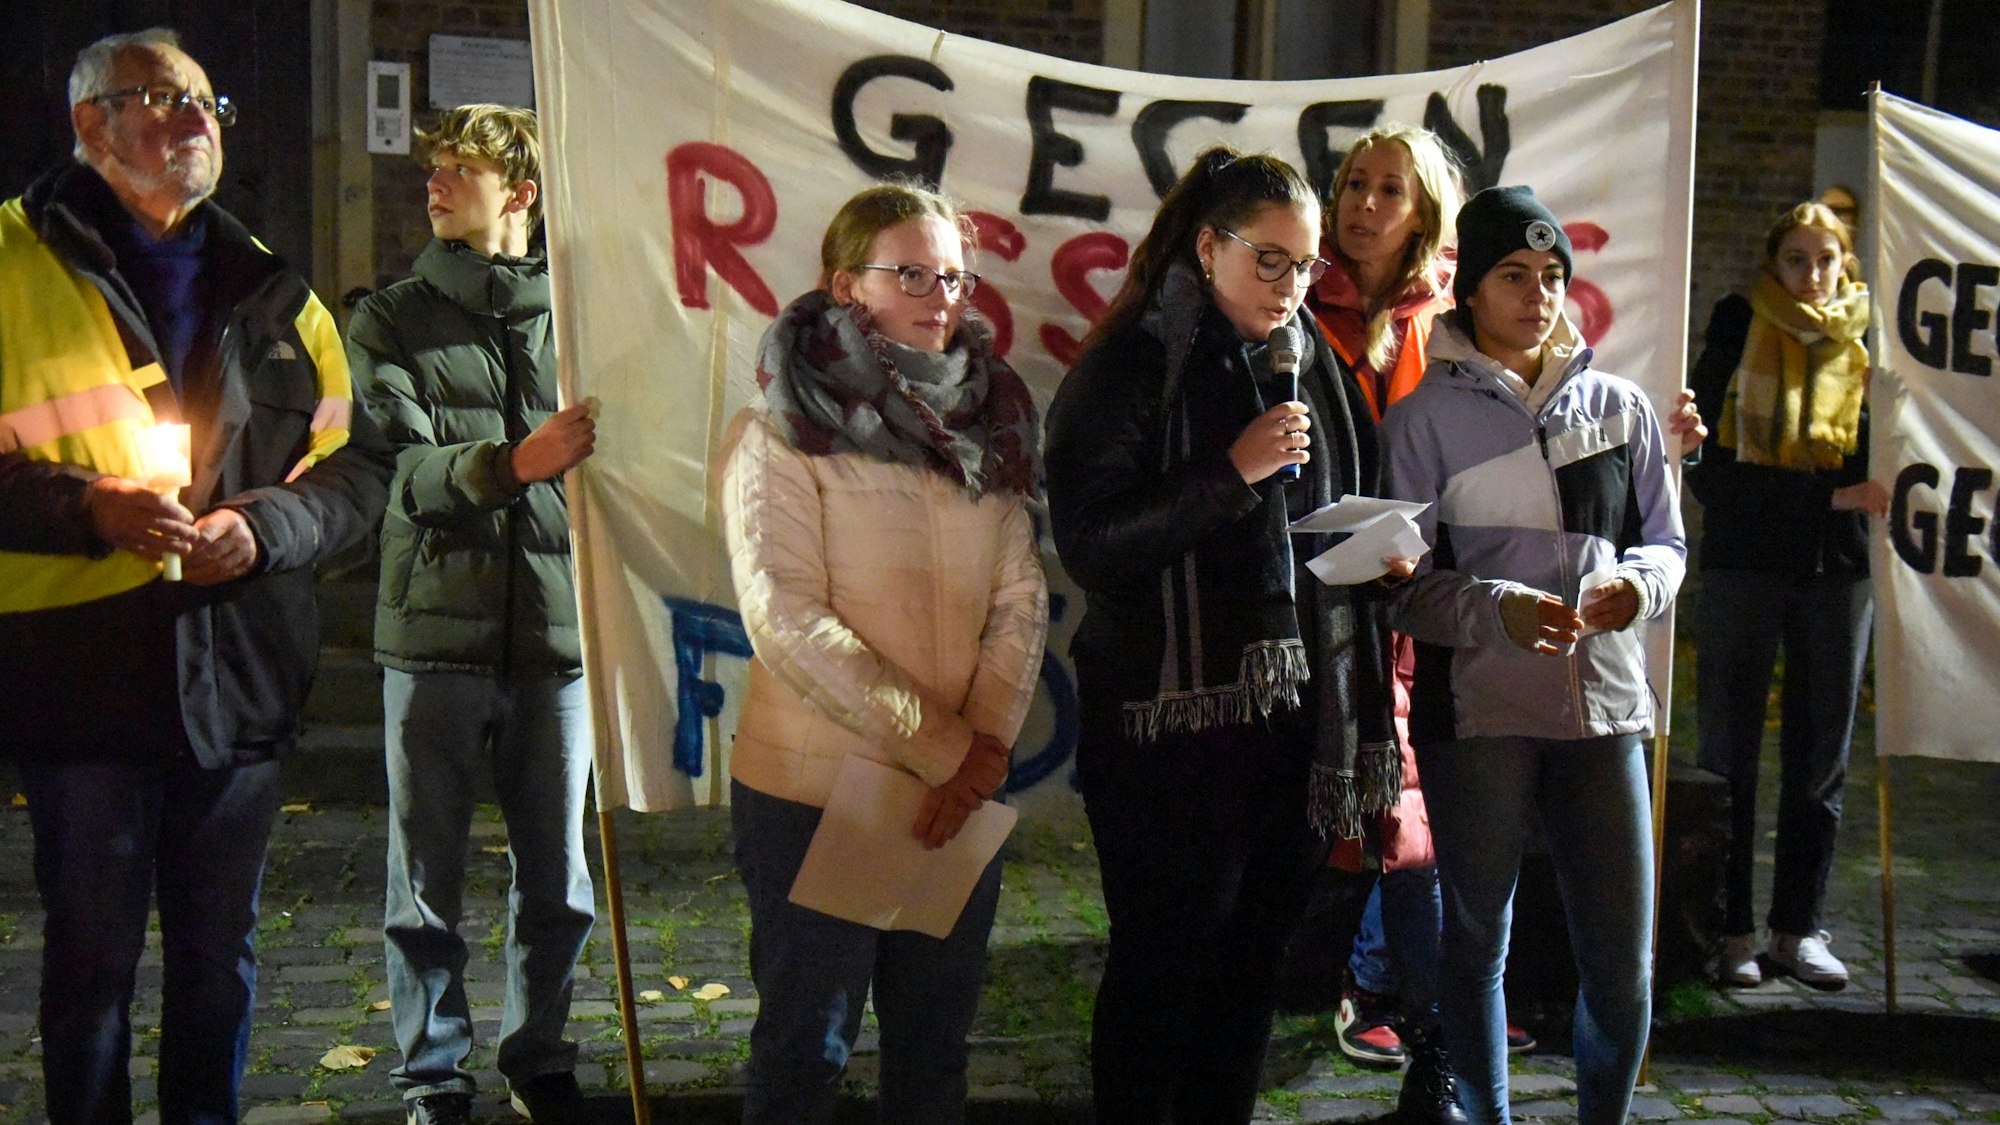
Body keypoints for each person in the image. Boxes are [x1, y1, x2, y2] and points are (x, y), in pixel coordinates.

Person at [0, 28, 393, 1124]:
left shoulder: (273, 288)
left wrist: (268, 528)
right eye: (162, 101)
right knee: (90, 967)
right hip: (84, 681)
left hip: (242, 678)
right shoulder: (9, 262)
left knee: (219, 966)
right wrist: (86, 509)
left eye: (207, 103)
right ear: (91, 125)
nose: (196, 122)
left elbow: (359, 467)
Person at [1046, 146, 1401, 1125]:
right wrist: (1227, 474)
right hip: (1164, 735)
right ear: (1207, 248)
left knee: (1248, 977)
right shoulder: (1129, 366)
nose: (1291, 286)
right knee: (1162, 974)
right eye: (1269, 261)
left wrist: (1381, 554)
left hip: (1288, 733)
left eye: (1307, 265)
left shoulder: (1315, 365)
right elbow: (1089, 544)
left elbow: (1336, 512)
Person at [717, 182, 1048, 1124]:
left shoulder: (989, 428)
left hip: (953, 796)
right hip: (818, 792)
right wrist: (951, 750)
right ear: (844, 285)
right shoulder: (784, 428)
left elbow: (1020, 598)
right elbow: (784, 614)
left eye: (953, 276)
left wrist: (979, 750)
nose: (940, 295)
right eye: (911, 272)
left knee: (934, 1046)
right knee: (806, 1050)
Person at [1379, 185, 1685, 1125]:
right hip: (1479, 718)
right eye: (1514, 274)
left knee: (1624, 962)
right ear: (1469, 288)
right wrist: (1495, 611)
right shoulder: (1422, 421)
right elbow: (1398, 583)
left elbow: (1668, 546)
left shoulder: (1621, 407)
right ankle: (1486, 1117)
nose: (1539, 294)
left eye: (1553, 276)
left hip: (1606, 712)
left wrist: (1639, 587)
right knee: (1477, 941)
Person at [346, 105, 597, 1125]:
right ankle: (432, 1074)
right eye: (434, 170)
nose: (435, 184)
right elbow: (402, 469)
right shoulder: (392, 316)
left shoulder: (583, 317)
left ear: (522, 193)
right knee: (426, 884)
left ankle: (538, 1055)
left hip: (557, 635)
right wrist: (510, 464)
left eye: (460, 170)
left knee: (562, 883)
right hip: (433, 640)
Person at [1305, 123, 1475, 1117]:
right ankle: (1311, 996)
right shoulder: (1298, 302)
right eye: (1353, 185)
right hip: (1313, 604)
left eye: (1387, 190)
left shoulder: (1454, 321)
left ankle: (1435, 1052)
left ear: (1423, 214)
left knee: (1415, 840)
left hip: (1418, 612)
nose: (1363, 204)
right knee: (1314, 822)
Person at [1688, 201, 1883, 992]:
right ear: (1773, 263)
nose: (1810, 274)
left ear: (1846, 265)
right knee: (1728, 751)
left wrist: (1849, 503)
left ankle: (1797, 928)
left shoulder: (1872, 344)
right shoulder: (1738, 325)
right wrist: (1826, 499)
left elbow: (1885, 470)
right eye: (1795, 259)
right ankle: (1729, 927)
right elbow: (1708, 465)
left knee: (1820, 759)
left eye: (1824, 259)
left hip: (1838, 573)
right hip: (1745, 564)